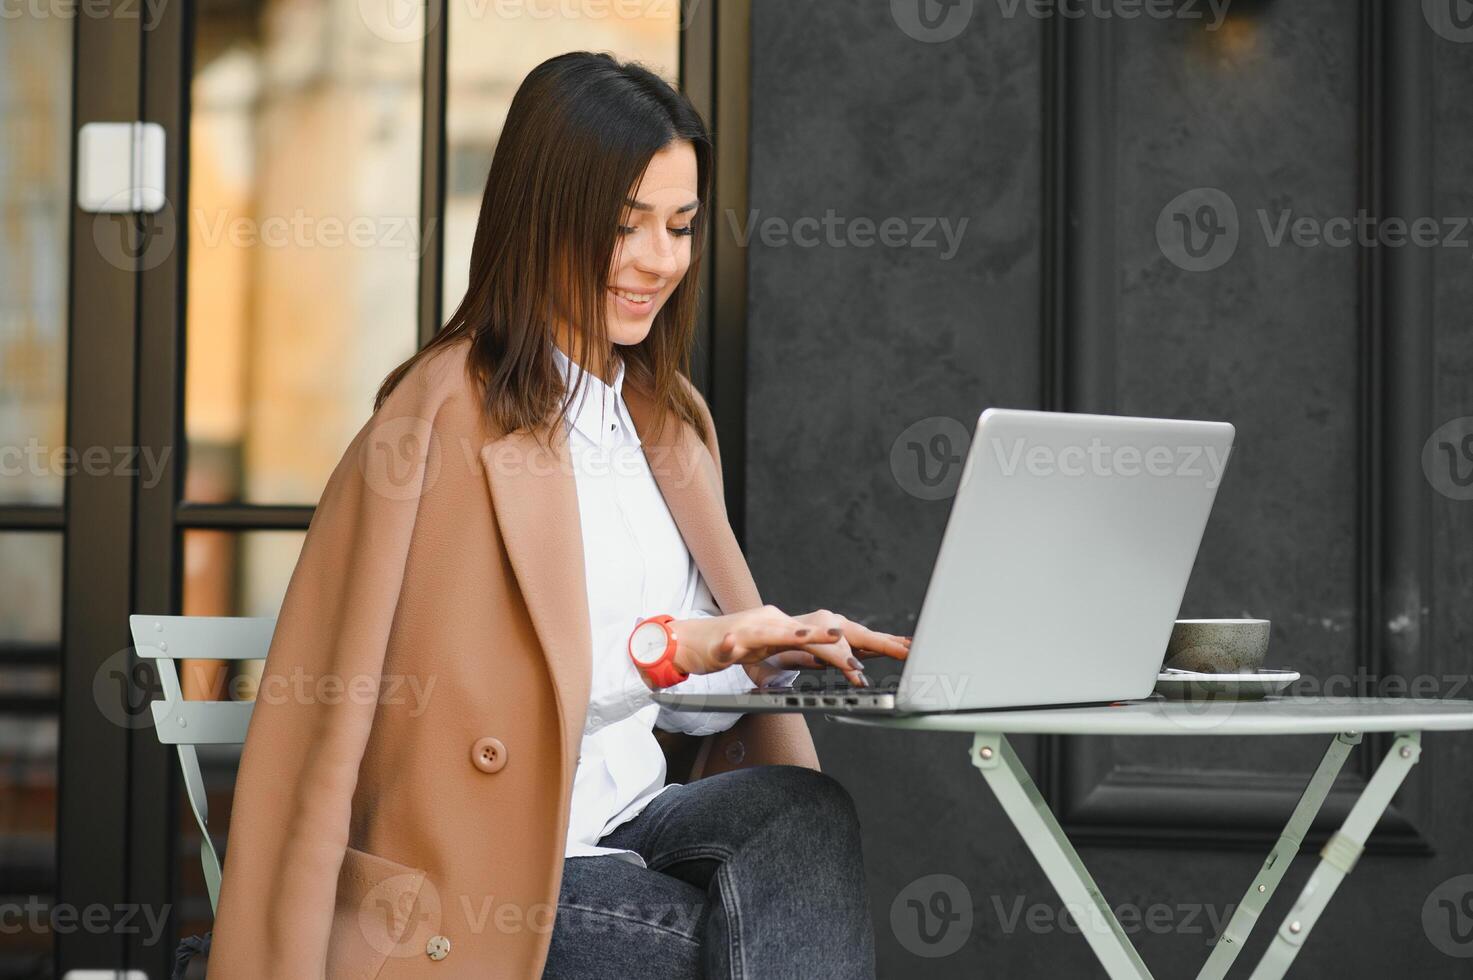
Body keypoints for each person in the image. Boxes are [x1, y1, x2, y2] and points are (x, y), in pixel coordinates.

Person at [205, 51, 908, 979]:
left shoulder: (669, 420)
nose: (659, 260)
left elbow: (690, 717)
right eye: (625, 226)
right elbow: (453, 708)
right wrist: (677, 646)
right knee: (732, 938)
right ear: (542, 219)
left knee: (803, 817)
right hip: (480, 873)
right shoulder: (443, 414)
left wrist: (754, 653)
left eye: (681, 226)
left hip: (629, 827)